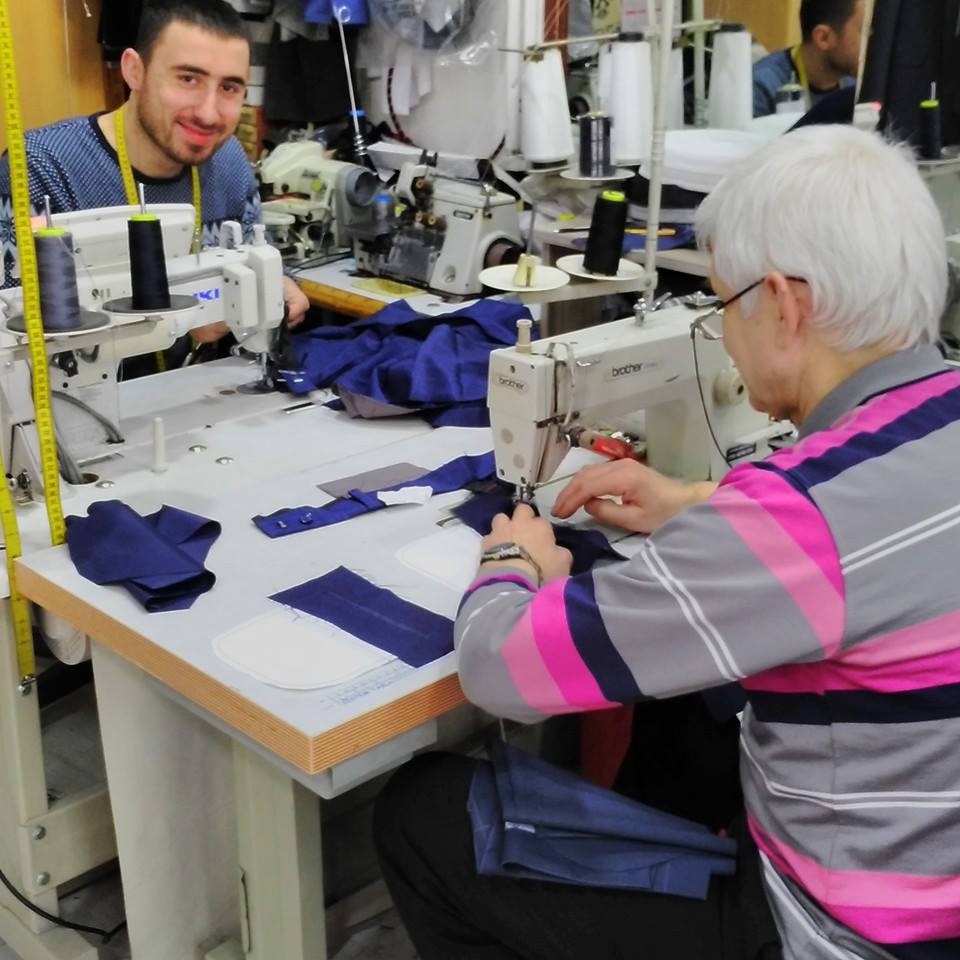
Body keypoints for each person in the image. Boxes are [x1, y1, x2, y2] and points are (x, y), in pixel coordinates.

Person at [374, 125, 958, 960]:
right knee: (695, 712)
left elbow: (499, 672)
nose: (724, 336)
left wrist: (512, 563)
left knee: (423, 813)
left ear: (785, 306)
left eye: (723, 307)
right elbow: (881, 535)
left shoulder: (794, 517)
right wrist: (694, 502)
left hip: (839, 938)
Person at [0, 0, 308, 347]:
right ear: (134, 71)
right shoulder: (41, 167)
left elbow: (254, 253)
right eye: (188, 79)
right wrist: (178, 329)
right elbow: (15, 333)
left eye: (229, 88)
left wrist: (280, 282)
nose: (209, 114)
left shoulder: (228, 160)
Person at [753, 0, 864, 117]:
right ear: (823, 38)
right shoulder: (761, 88)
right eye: (864, 31)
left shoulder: (858, 82)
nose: (872, 44)